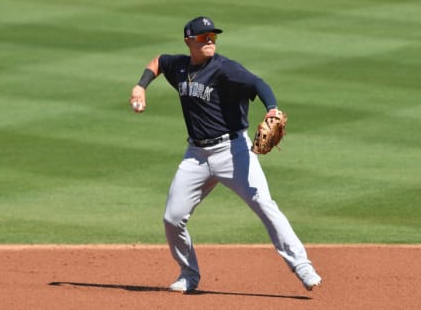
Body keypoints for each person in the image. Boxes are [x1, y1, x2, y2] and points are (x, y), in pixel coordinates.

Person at [130, 16, 322, 293]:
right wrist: (141, 85)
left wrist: (271, 108)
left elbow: (258, 83)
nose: (209, 40)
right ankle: (188, 274)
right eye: (203, 37)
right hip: (195, 155)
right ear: (189, 41)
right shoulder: (179, 66)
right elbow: (158, 61)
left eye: (213, 37)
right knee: (173, 218)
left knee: (264, 204)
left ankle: (303, 266)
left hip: (233, 151)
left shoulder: (225, 69)